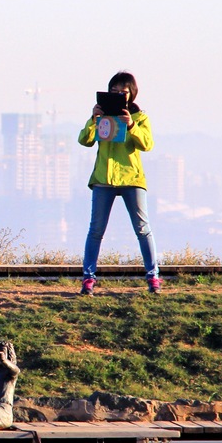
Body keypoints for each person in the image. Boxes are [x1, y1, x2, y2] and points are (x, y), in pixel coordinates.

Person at [77, 71, 160, 296]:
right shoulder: (102, 116)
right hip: (103, 179)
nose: (118, 95)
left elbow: (147, 144)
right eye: (113, 92)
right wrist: (93, 120)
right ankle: (88, 279)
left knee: (143, 229)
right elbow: (84, 140)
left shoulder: (140, 117)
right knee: (96, 230)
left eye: (122, 92)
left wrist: (131, 125)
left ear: (131, 94)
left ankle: (153, 276)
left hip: (131, 178)